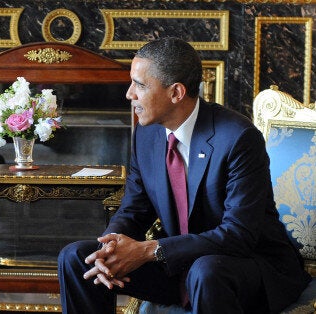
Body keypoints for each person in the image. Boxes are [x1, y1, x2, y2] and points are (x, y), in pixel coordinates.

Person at [57, 37, 311, 313]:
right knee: (77, 258)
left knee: (206, 270)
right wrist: (110, 247)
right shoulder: (147, 132)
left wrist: (148, 250)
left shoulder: (238, 138)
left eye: (140, 85)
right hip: (177, 265)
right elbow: (134, 208)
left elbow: (238, 235)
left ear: (176, 92)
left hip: (246, 267)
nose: (129, 94)